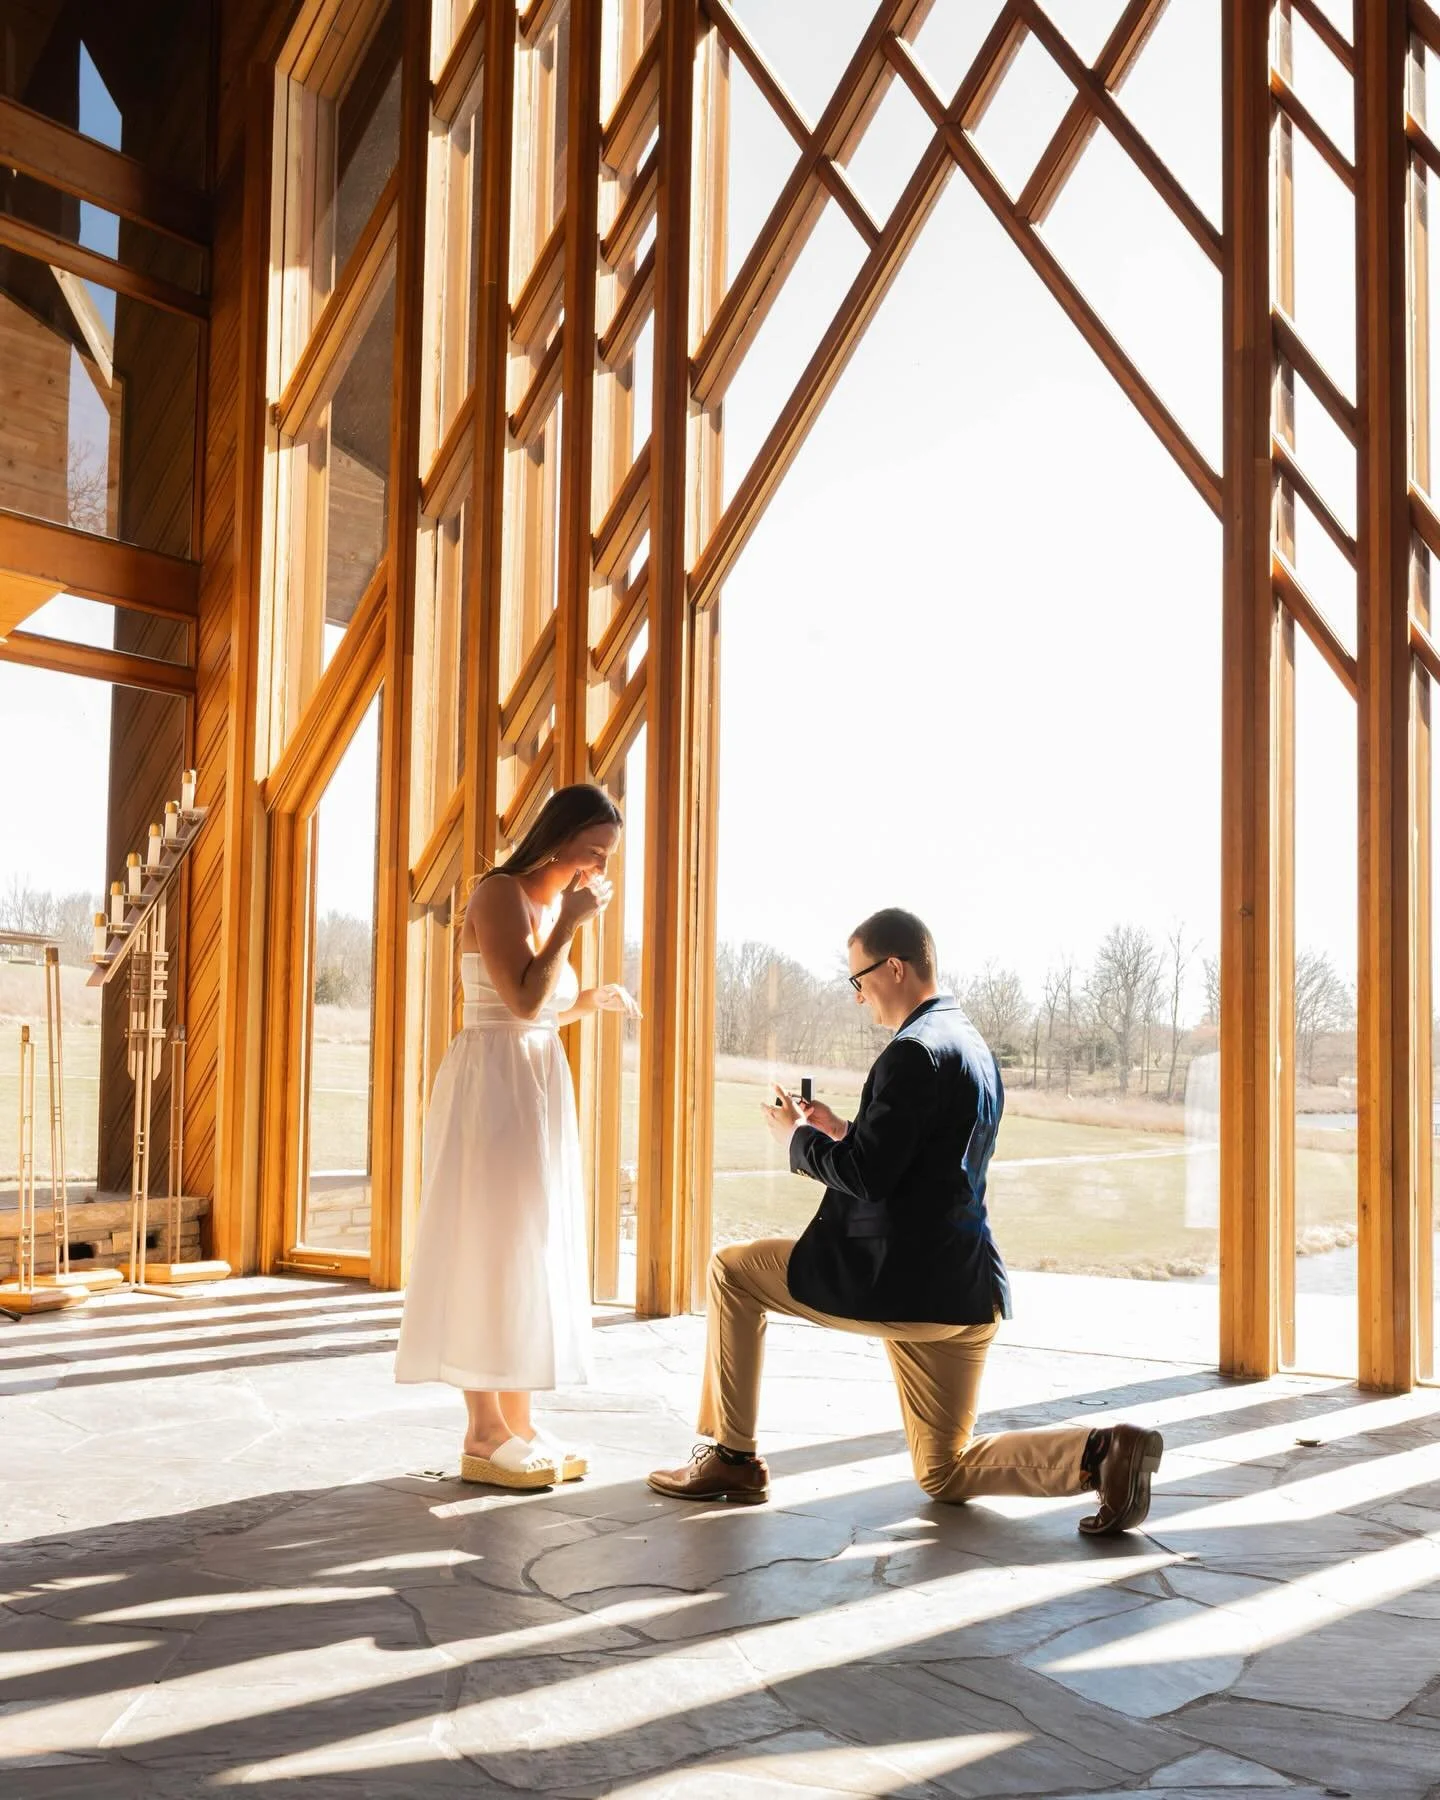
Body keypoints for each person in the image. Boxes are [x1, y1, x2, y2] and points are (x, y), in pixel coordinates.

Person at [648, 907, 1163, 1535]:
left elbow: (869, 1178)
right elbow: (917, 1158)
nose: (858, 995)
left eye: (858, 979)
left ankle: (730, 1457)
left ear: (894, 967)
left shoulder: (911, 1052)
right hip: (967, 1290)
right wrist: (839, 1130)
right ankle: (1102, 1453)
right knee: (943, 1472)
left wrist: (796, 1140)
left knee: (732, 1270)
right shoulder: (970, 1045)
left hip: (902, 1283)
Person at [395, 784, 639, 1489]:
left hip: (534, 1082)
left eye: (607, 856)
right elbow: (521, 998)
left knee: (531, 1241)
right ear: (559, 837)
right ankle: (482, 1430)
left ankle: (520, 1417)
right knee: (488, 1242)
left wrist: (589, 1000)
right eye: (593, 849)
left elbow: (544, 1005)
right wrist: (571, 926)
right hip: (492, 1088)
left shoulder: (559, 900)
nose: (598, 865)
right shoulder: (499, 894)